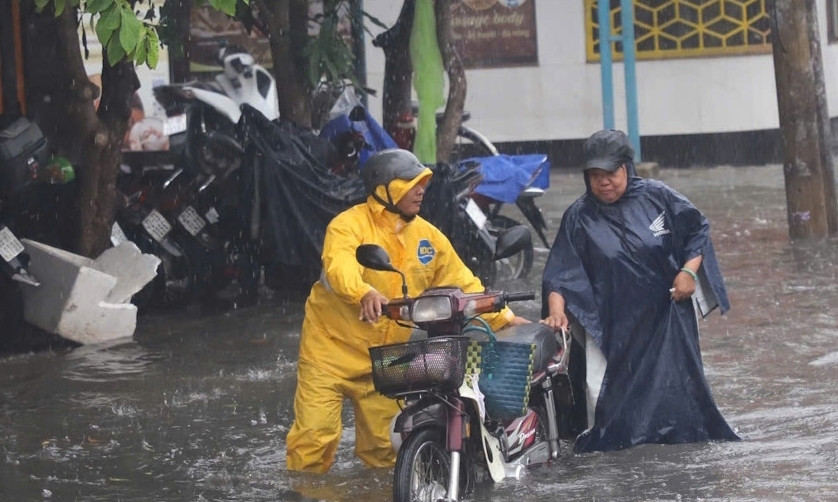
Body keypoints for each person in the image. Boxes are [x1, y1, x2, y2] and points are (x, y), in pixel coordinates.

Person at [286, 148, 527, 473]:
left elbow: (464, 285)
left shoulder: (427, 238)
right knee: (314, 438)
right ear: (384, 189)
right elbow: (339, 267)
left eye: (422, 183)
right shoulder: (347, 226)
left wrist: (504, 317)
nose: (420, 190)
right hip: (328, 354)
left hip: (384, 359)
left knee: (385, 452)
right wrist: (363, 293)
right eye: (410, 182)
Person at [541, 129, 739, 452]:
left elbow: (697, 230)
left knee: (676, 393)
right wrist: (556, 311)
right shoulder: (578, 218)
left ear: (626, 168)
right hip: (607, 323)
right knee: (600, 398)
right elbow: (560, 274)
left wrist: (689, 271)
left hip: (665, 317)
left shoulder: (658, 198)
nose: (603, 182)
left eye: (610, 173)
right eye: (595, 175)